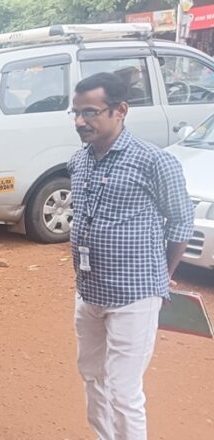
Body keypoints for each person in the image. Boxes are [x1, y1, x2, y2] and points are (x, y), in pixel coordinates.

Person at [68, 72, 194, 440]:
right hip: (89, 293)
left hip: (135, 296)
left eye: (90, 112)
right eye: (75, 113)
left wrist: (161, 277)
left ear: (121, 110)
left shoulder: (154, 161)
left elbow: (181, 221)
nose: (80, 121)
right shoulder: (80, 161)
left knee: (123, 391)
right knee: (92, 376)